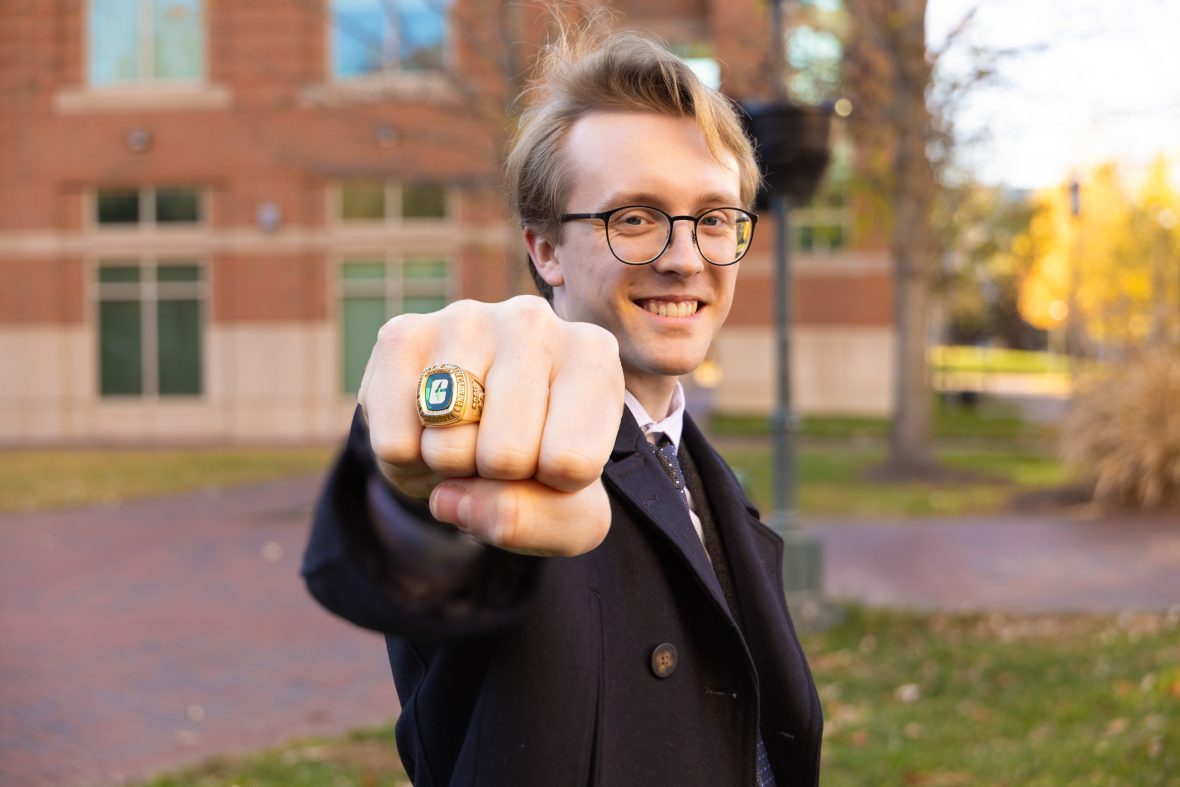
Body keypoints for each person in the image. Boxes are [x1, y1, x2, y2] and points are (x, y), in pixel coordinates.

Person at [302, 25, 822, 787]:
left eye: (714, 219)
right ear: (544, 250)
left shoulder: (720, 491)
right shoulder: (515, 448)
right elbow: (385, 559)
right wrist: (427, 439)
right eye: (635, 217)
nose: (685, 258)